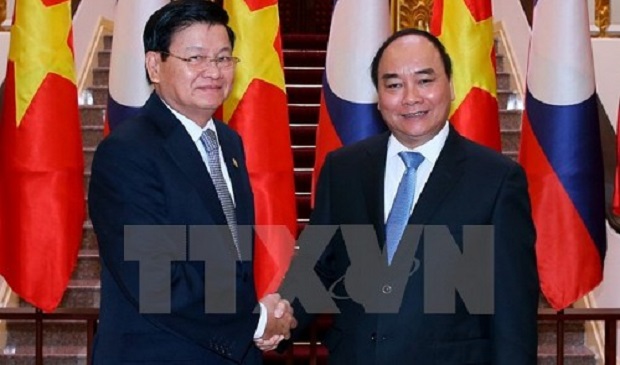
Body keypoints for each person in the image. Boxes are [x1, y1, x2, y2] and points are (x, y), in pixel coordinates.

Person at [290, 28, 539, 364]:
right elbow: (315, 269)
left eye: (424, 81)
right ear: (378, 96)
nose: (410, 97)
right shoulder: (343, 169)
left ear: (450, 86)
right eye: (393, 84)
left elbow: (512, 312)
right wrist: (275, 320)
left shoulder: (496, 180)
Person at [88, 1, 295, 364]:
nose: (213, 71)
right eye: (195, 58)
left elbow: (230, 264)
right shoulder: (127, 152)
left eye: (223, 58)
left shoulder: (229, 143)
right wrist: (257, 321)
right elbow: (155, 281)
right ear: (155, 65)